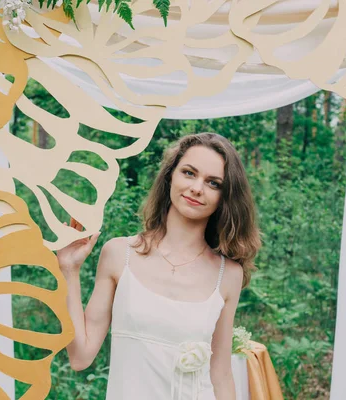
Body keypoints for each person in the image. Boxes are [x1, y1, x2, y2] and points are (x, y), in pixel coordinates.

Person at [57, 133, 261, 400]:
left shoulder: (228, 274)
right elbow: (80, 357)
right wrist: (69, 271)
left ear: (225, 197)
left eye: (213, 183)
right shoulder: (119, 254)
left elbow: (220, 374)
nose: (197, 188)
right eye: (189, 173)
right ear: (170, 177)